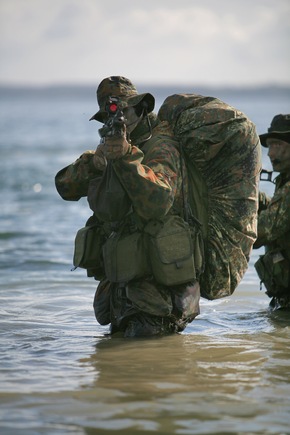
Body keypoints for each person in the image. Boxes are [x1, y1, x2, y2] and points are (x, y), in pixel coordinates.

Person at [55, 76, 260, 337]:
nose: (119, 120)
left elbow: (158, 202)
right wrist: (95, 164)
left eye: (124, 111)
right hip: (127, 289)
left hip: (158, 293)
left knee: (148, 367)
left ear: (141, 108)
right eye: (109, 114)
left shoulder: (162, 146)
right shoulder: (110, 151)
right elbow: (64, 187)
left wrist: (127, 158)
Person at [254, 114, 290, 310]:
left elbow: (263, 230)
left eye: (277, 144)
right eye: (269, 145)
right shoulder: (284, 181)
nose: (269, 153)